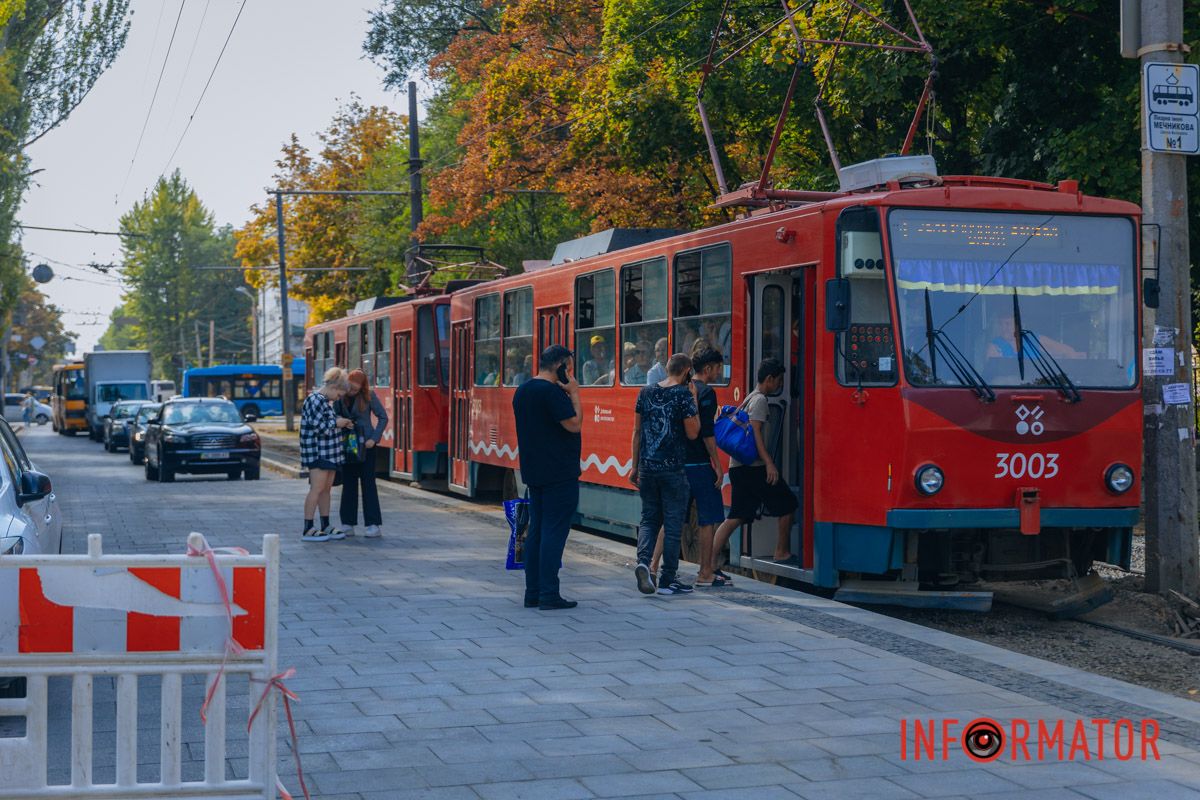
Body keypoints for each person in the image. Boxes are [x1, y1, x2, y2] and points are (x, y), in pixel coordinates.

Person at [709, 359, 798, 574]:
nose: (780, 385)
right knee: (788, 504)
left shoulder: (750, 397)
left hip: (739, 468)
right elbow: (756, 432)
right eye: (779, 380)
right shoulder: (760, 401)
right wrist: (769, 463)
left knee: (736, 516)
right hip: (753, 468)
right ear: (769, 379)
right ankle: (781, 551)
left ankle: (709, 563)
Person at [512, 345, 583, 610]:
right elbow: (574, 424)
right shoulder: (552, 393)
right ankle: (549, 594)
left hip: (534, 471)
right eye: (570, 367)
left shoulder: (523, 390)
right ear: (561, 366)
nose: (572, 373)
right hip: (559, 472)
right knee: (554, 531)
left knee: (537, 531)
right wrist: (574, 393)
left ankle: (533, 592)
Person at [631, 353, 699, 597]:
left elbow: (637, 431)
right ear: (687, 371)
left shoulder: (646, 392)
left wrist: (634, 466)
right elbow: (693, 433)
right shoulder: (683, 395)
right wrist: (694, 400)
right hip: (673, 470)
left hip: (647, 468)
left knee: (649, 518)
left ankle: (643, 562)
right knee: (672, 525)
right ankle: (668, 580)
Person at [300, 367, 353, 542]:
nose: (338, 398)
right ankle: (308, 528)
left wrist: (339, 423)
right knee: (317, 489)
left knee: (325, 490)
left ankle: (325, 525)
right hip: (318, 452)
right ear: (334, 387)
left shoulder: (323, 401)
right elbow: (320, 427)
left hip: (328, 452)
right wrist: (338, 422)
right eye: (339, 394)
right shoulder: (315, 400)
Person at [334, 368, 389, 538]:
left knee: (368, 484)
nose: (351, 391)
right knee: (349, 484)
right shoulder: (340, 396)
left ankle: (373, 524)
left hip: (366, 445)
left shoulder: (369, 396)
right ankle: (347, 523)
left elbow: (383, 417)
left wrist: (374, 438)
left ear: (362, 387)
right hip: (347, 445)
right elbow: (333, 416)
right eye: (350, 387)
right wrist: (340, 422)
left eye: (355, 389)